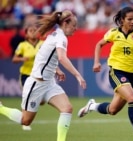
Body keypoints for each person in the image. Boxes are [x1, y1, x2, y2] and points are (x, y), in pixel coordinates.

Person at [0, 10, 86, 141]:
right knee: (25, 121)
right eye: (74, 25)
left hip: (49, 83)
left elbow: (44, 56)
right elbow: (62, 58)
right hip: (36, 84)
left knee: (67, 108)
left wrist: (56, 70)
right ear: (65, 23)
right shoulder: (59, 37)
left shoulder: (55, 35)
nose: (76, 28)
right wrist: (78, 75)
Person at [77, 6, 133, 141]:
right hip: (117, 71)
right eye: (129, 19)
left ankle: (91, 106)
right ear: (122, 20)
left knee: (113, 110)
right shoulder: (113, 33)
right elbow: (99, 44)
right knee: (132, 98)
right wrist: (96, 62)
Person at [11, 24, 44, 131]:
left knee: (42, 101)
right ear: (26, 33)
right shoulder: (23, 45)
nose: (33, 32)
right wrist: (22, 59)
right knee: (27, 97)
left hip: (39, 76)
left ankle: (26, 117)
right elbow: (14, 59)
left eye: (35, 30)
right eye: (30, 30)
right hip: (26, 75)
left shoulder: (42, 44)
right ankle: (25, 122)